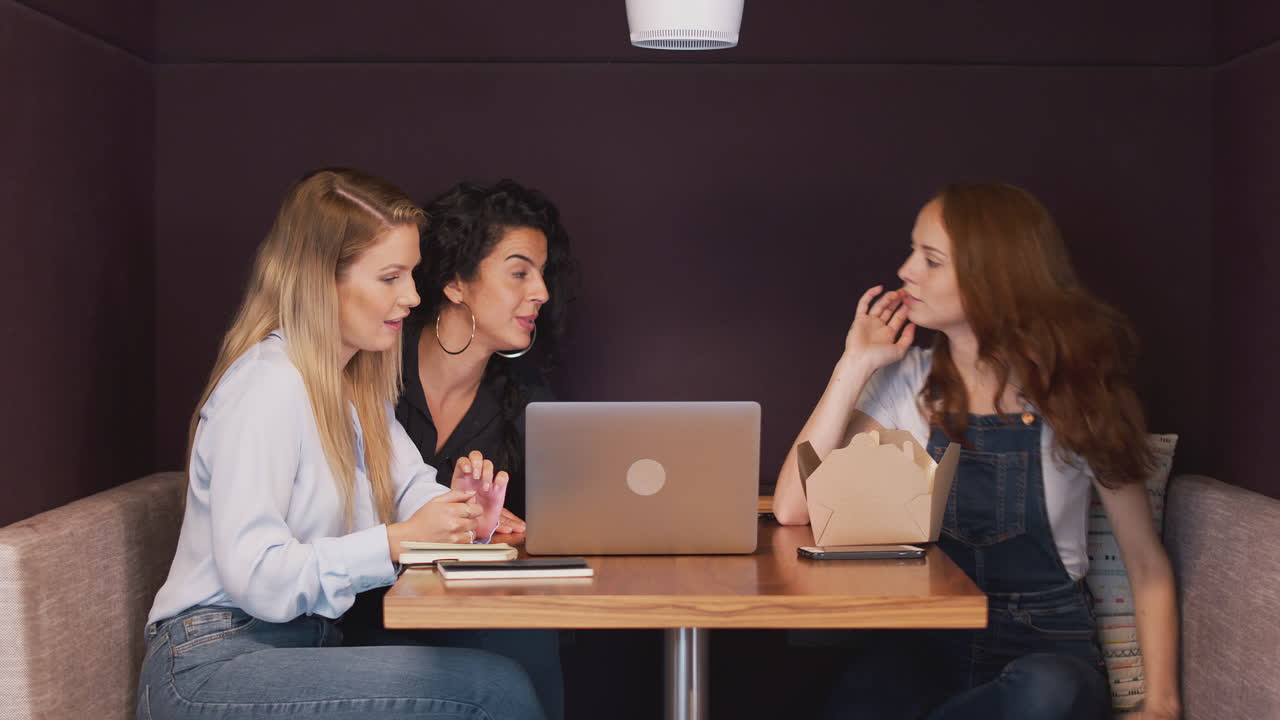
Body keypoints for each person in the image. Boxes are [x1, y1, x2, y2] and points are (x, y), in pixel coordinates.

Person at [136, 168, 545, 720]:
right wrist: (396, 542)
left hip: (294, 646)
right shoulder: (268, 385)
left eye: (412, 275)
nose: (412, 297)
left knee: (511, 656)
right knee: (493, 691)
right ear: (320, 279)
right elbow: (256, 576)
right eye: (390, 278)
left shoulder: (353, 390)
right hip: (210, 663)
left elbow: (409, 486)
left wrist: (463, 512)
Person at [772, 183, 1181, 720]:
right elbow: (793, 508)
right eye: (913, 251)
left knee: (1051, 691)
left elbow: (1145, 562)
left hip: (1046, 650)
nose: (905, 270)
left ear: (995, 278)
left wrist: (1162, 706)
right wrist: (853, 365)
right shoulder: (906, 382)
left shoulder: (1082, 395)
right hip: (926, 645)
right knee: (864, 694)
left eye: (931, 260)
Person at [342, 179, 577, 719]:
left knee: (529, 636)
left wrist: (497, 525)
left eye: (542, 274)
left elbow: (548, 530)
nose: (540, 291)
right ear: (454, 283)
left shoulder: (524, 402)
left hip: (457, 612)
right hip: (352, 608)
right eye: (520, 272)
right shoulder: (370, 364)